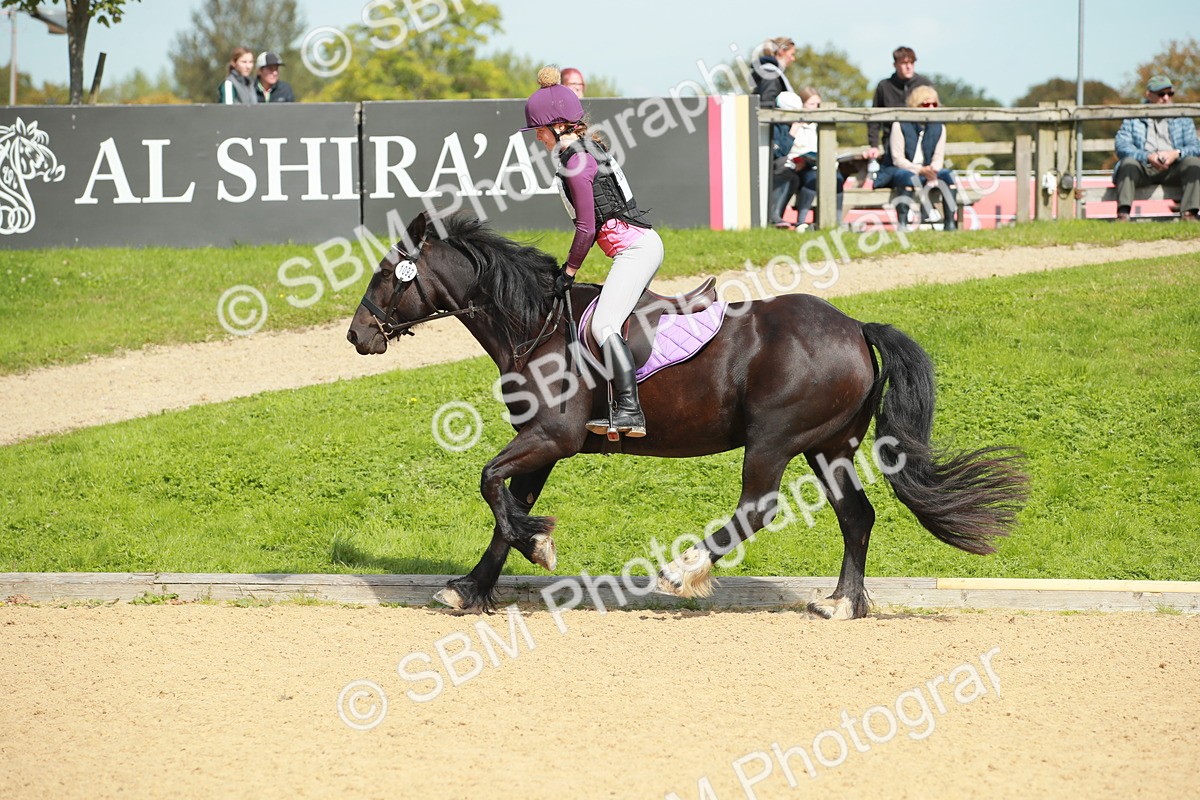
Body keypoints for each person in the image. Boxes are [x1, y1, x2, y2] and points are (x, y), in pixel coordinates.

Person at [522, 67, 662, 438]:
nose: (537, 137)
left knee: (602, 324)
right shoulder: (586, 151)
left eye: (539, 130)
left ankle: (630, 410)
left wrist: (568, 273)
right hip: (635, 247)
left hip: (636, 250)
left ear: (557, 126)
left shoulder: (577, 162)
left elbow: (586, 228)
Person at [1113, 74, 1200, 222]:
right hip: (1143, 167)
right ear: (1149, 94)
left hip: (1174, 168)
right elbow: (1121, 145)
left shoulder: (1183, 115)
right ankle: (1123, 214)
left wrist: (1176, 153)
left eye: (1170, 93)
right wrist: (1147, 156)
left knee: (1193, 163)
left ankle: (1189, 214)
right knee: (1127, 164)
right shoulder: (1134, 116)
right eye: (1161, 94)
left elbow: (1195, 146)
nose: (1166, 98)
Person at [873, 85, 959, 230]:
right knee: (907, 177)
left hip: (928, 171)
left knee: (948, 175)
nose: (931, 108)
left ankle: (950, 223)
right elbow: (897, 159)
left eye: (934, 104)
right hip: (900, 170)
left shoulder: (939, 127)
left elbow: (938, 158)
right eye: (926, 104)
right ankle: (903, 223)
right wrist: (919, 170)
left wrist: (932, 170)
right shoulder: (900, 124)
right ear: (916, 105)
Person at [777, 87, 846, 231]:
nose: (816, 108)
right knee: (812, 179)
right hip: (800, 167)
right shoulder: (794, 125)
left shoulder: (820, 126)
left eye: (818, 105)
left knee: (837, 179)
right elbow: (789, 148)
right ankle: (801, 221)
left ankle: (837, 222)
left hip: (821, 164)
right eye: (812, 104)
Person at [752, 37, 799, 227]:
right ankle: (773, 217)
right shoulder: (771, 74)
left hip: (775, 135)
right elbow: (767, 104)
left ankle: (774, 217)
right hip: (772, 137)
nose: (793, 59)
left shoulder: (768, 72)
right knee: (784, 171)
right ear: (781, 52)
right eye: (791, 54)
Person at [864, 46, 932, 161]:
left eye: (911, 62)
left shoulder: (924, 85)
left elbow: (935, 114)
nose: (908, 66)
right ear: (895, 65)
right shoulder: (884, 87)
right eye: (904, 63)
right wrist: (874, 145)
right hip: (891, 144)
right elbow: (874, 119)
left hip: (920, 144)